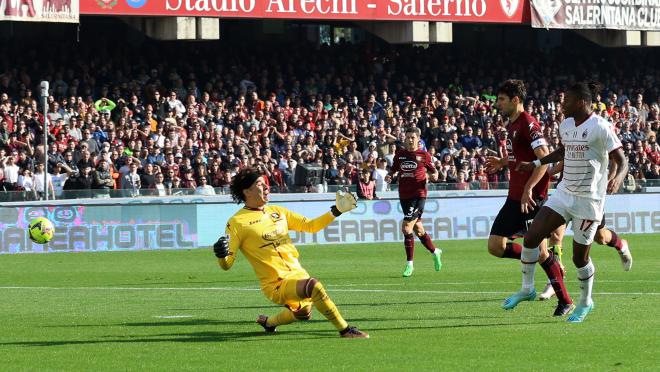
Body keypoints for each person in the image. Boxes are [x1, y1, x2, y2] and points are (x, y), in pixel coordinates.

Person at [514, 82, 628, 323]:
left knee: (579, 258)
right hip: (565, 193)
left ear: (581, 102)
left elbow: (621, 159)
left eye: (566, 100)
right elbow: (562, 152)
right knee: (532, 236)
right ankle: (527, 288)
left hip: (589, 200)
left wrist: (617, 178)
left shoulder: (600, 126)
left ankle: (586, 302)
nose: (561, 104)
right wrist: (535, 164)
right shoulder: (566, 125)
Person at [213, 167, 368, 338]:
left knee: (303, 313)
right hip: (275, 284)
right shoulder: (236, 222)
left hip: (298, 274)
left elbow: (310, 226)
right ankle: (345, 330)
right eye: (260, 184)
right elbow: (227, 264)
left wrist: (335, 211)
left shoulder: (278, 212)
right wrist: (221, 255)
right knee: (313, 286)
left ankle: (268, 323)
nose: (266, 187)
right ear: (247, 191)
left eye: (265, 183)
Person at [484, 80, 572, 316]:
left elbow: (544, 160)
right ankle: (538, 264)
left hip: (531, 198)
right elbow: (521, 157)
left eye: (502, 99)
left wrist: (529, 189)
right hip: (515, 196)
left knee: (541, 252)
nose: (498, 104)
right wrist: (504, 162)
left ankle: (565, 300)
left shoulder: (529, 124)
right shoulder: (511, 124)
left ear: (515, 100)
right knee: (495, 246)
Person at [537, 160, 633, 300]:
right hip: (565, 194)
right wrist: (547, 172)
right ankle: (554, 280)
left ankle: (621, 244)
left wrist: (610, 180)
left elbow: (616, 161)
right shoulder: (572, 140)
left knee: (600, 237)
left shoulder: (600, 140)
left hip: (589, 196)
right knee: (556, 236)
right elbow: (565, 158)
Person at [386, 127, 442, 277]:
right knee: (418, 229)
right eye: (408, 137)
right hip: (404, 195)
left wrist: (434, 175)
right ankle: (435, 251)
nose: (410, 140)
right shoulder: (400, 155)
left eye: (413, 137)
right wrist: (389, 176)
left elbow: (433, 171)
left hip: (419, 195)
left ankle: (409, 264)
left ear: (418, 139)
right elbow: (393, 170)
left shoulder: (424, 155)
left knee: (406, 227)